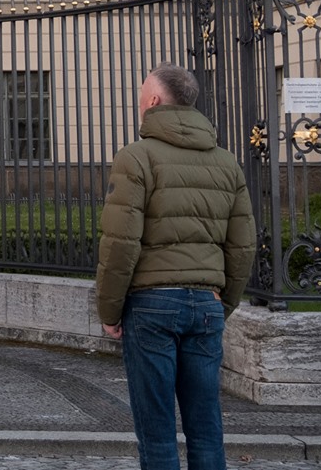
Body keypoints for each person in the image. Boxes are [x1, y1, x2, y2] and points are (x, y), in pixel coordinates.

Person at [95, 63, 255, 470]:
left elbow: (119, 244)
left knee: (157, 430)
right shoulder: (227, 163)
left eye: (140, 97)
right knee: (206, 427)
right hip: (206, 305)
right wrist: (224, 304)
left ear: (153, 101)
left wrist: (110, 311)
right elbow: (242, 246)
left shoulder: (136, 157)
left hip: (152, 306)